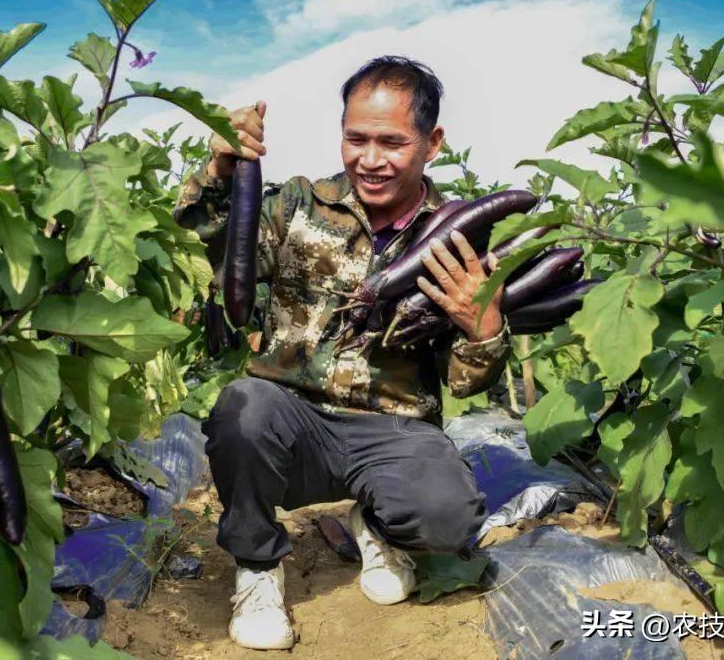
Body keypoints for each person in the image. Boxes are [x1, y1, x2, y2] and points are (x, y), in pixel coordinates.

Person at [173, 56, 510, 651]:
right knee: (243, 406)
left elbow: (465, 385)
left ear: (432, 143)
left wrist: (483, 330)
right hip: (290, 420)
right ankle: (257, 567)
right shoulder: (298, 207)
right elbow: (210, 245)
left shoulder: (460, 236)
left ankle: (376, 521)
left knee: (448, 519)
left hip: (395, 428)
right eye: (356, 138)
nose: (370, 159)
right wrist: (221, 169)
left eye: (391, 142)